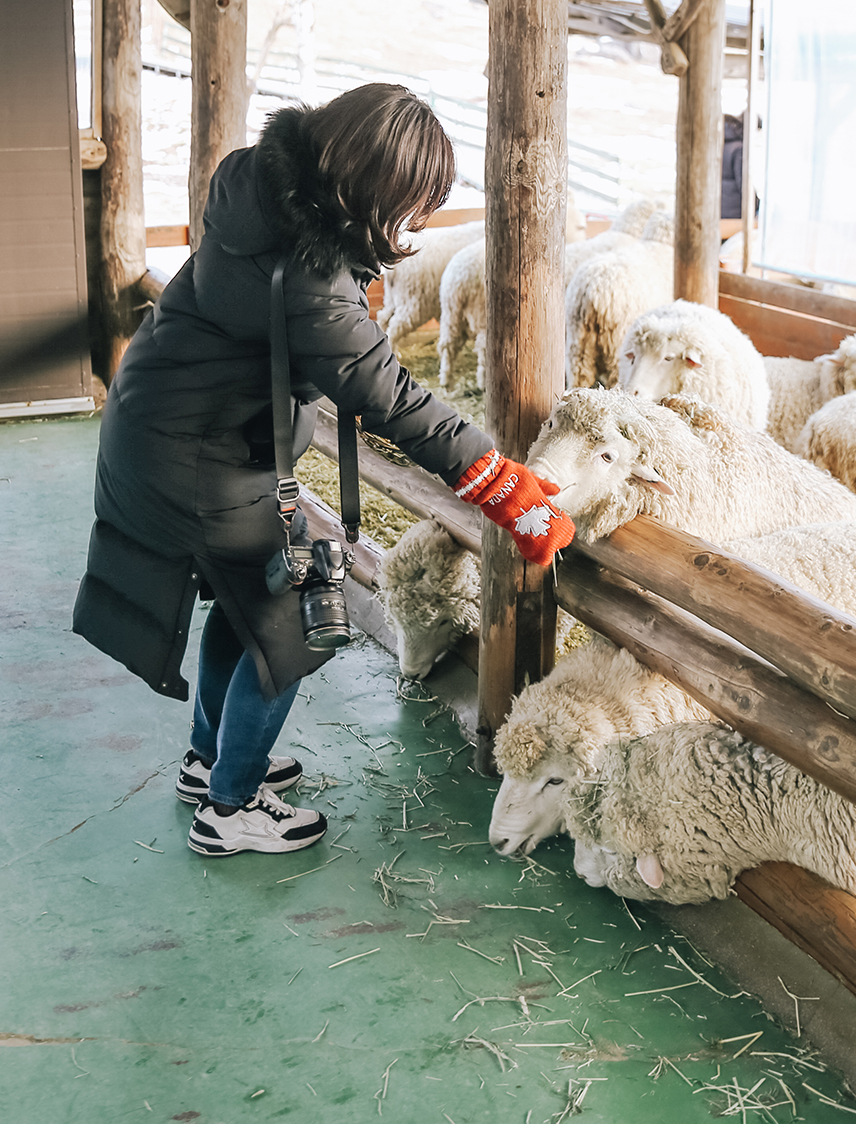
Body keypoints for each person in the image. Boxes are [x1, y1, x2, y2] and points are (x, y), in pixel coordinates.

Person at [73, 84, 574, 861]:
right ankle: (231, 806)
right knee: (296, 611)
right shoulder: (308, 280)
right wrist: (501, 483)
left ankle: (212, 761)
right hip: (195, 458)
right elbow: (392, 394)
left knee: (247, 601)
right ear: (372, 187)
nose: (415, 223)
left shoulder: (260, 197)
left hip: (163, 432)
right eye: (413, 202)